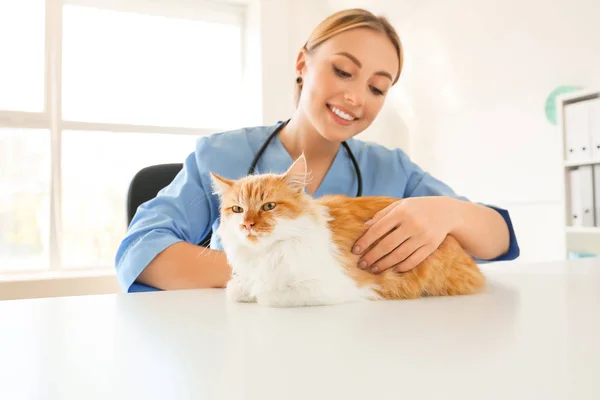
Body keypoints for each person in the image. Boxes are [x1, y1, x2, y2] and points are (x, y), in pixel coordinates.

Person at [115, 8, 519, 293]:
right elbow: (141, 251)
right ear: (302, 64)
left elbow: (497, 238)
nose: (356, 96)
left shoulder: (391, 169)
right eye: (343, 71)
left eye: (377, 88)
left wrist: (450, 212)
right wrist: (271, 272)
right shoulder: (222, 156)